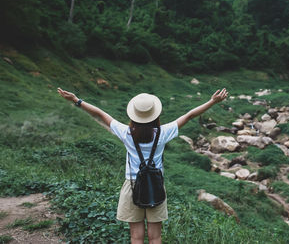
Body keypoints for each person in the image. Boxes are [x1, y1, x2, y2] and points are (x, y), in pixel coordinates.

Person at [57, 87, 228, 244]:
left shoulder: (126, 133)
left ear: (133, 115)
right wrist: (213, 101)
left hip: (131, 186)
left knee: (135, 237)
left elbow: (101, 114)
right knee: (156, 237)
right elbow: (189, 115)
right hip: (156, 186)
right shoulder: (163, 132)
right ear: (155, 115)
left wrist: (76, 100)